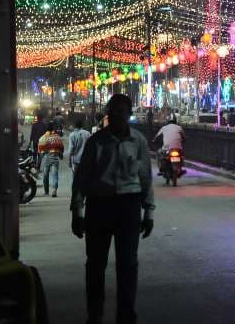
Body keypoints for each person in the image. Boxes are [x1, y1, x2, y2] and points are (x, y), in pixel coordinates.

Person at [71, 94, 154, 324]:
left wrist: (149, 211)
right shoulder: (96, 142)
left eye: (122, 111)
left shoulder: (138, 142)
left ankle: (126, 314)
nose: (117, 115)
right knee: (95, 264)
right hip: (99, 206)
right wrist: (77, 212)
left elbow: (145, 177)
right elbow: (82, 179)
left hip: (129, 206)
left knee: (128, 265)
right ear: (108, 113)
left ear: (129, 115)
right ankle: (95, 314)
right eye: (113, 110)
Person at [37, 122, 65, 197]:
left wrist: (40, 160)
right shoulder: (57, 137)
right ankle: (54, 190)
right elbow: (61, 147)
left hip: (46, 158)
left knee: (45, 175)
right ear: (53, 129)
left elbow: (40, 150)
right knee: (55, 175)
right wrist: (60, 154)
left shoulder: (43, 137)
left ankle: (46, 192)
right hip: (55, 158)